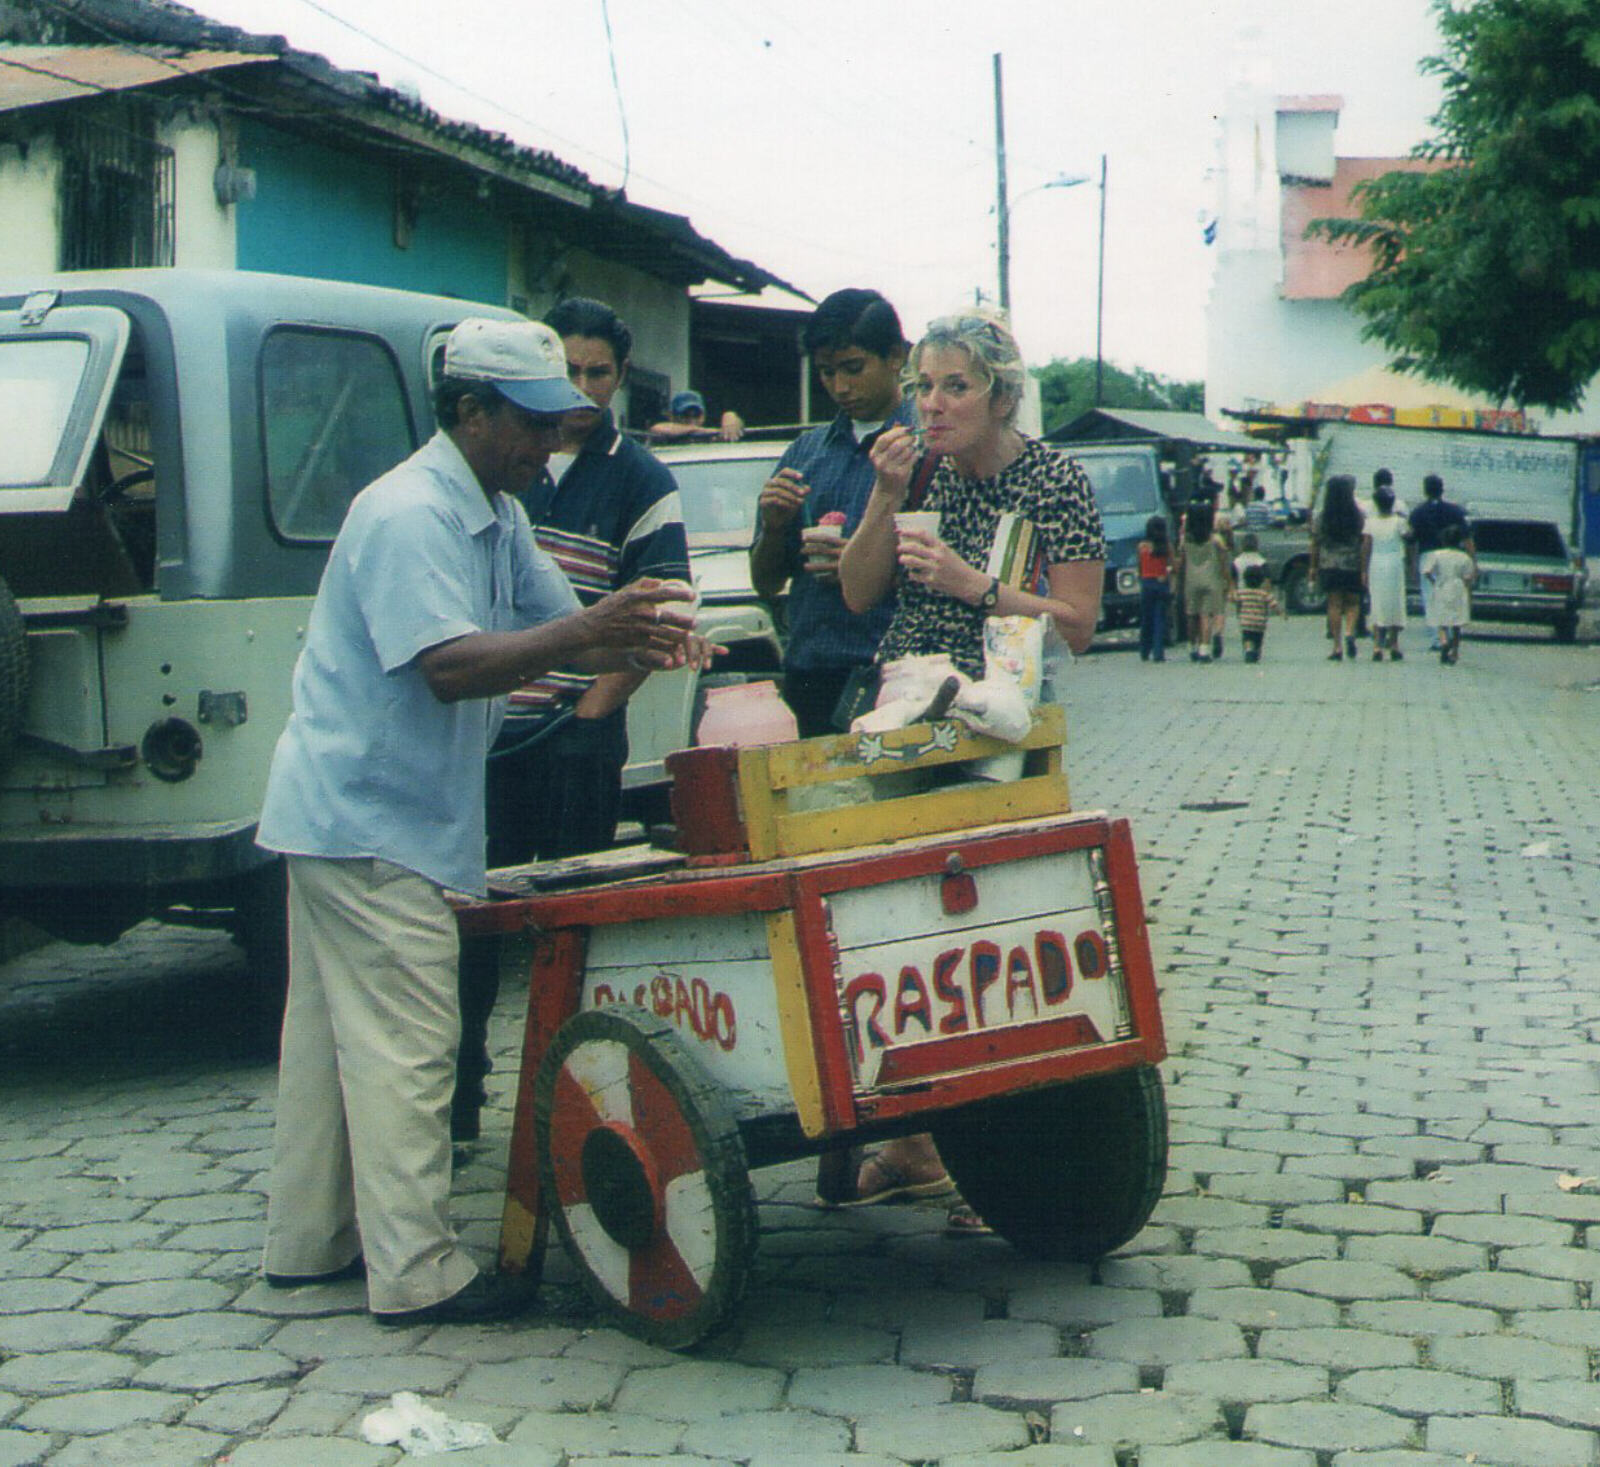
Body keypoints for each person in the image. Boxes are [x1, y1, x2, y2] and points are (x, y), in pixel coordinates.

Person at [255, 317, 700, 1327]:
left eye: (558, 424)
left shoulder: (493, 514)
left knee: (330, 1045)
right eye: (531, 423)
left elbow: (566, 640)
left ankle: (310, 1242)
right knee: (411, 1042)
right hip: (371, 819)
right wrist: (593, 626)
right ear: (469, 413)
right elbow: (450, 666)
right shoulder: (411, 513)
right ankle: (418, 1273)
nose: (548, 443)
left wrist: (647, 633)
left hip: (349, 814)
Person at [838, 311, 1104, 1226]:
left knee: (981, 936)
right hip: (907, 714)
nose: (933, 403)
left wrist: (972, 584)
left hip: (999, 726)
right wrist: (880, 498)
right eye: (923, 385)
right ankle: (914, 1144)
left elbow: (1077, 621)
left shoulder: (1053, 479)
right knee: (895, 926)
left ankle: (993, 1151)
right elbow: (858, 591)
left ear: (1000, 392)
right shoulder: (925, 475)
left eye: (955, 385)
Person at [452, 297, 695, 1142]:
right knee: (468, 932)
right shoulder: (503, 470)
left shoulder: (643, 481)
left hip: (577, 735)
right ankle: (459, 1105)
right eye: (570, 374)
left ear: (622, 379)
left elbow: (652, 621)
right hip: (482, 739)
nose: (584, 390)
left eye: (599, 374)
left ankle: (574, 1120)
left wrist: (584, 721)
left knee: (574, 939)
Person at [750, 288, 914, 735]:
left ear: (896, 356)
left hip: (899, 677)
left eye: (853, 368)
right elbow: (766, 583)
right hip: (811, 672)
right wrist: (774, 525)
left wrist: (860, 563)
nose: (840, 387)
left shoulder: (925, 448)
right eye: (826, 372)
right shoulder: (805, 454)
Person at [1409, 473, 1473, 646]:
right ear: (1442, 490)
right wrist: (1473, 560)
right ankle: (1453, 631)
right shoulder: (1455, 511)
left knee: (1431, 596)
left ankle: (1438, 638)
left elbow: (1412, 539)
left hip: (1428, 556)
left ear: (1425, 491)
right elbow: (1467, 538)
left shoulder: (1418, 512)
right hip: (1454, 556)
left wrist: (1412, 563)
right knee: (1453, 595)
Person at [1311, 474, 1365, 662]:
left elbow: (1315, 542)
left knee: (1334, 605)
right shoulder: (1358, 515)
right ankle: (1350, 631)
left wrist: (1313, 566)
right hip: (1352, 564)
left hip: (1329, 564)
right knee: (1353, 603)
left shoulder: (1323, 516)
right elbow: (1362, 539)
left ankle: (1337, 646)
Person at [1177, 499, 1230, 662]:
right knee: (1205, 615)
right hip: (1212, 581)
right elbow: (1224, 563)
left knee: (1192, 615)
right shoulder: (1216, 540)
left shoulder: (1186, 540)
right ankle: (1204, 650)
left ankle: (1192, 646)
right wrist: (1227, 581)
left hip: (1191, 581)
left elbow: (1182, 561)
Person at [1362, 481, 1411, 661]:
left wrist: (1363, 570)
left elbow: (1366, 547)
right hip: (1395, 562)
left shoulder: (1370, 523)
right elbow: (1409, 538)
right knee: (1396, 601)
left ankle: (1377, 646)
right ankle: (1394, 644)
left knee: (1377, 602)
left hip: (1376, 563)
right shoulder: (1400, 522)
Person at [1423, 521, 1476, 664]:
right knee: (1457, 621)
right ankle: (1455, 651)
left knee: (1442, 619)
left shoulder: (1436, 554)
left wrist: (1434, 581)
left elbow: (1427, 571)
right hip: (1458, 587)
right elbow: (1469, 576)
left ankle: (1444, 640)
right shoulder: (1464, 557)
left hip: (1442, 585)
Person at [1137, 514, 1173, 663]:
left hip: (1147, 583)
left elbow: (1140, 567)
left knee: (1147, 619)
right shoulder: (1166, 546)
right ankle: (1158, 653)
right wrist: (1167, 572)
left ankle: (1145, 650)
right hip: (1161, 582)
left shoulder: (1142, 546)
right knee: (1159, 618)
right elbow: (1173, 565)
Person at [648, 389, 745, 443]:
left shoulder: (711, 439)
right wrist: (700, 431)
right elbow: (656, 429)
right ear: (672, 417)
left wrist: (730, 417)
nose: (692, 420)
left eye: (696, 415)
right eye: (685, 415)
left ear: (703, 416)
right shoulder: (666, 438)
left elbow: (737, 425)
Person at [1234, 562, 1283, 663]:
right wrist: (1281, 612)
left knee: (1247, 638)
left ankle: (1248, 650)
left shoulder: (1242, 592)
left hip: (1246, 621)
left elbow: (1235, 600)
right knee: (1258, 639)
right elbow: (1273, 603)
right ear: (1261, 580)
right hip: (1259, 623)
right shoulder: (1264, 593)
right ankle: (1256, 651)